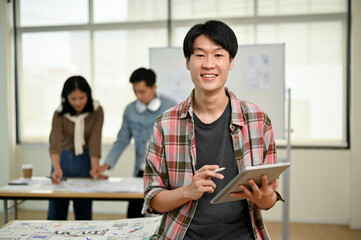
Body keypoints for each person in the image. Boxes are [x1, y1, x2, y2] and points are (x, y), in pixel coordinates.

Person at [142, 20, 284, 239]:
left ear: (231, 62)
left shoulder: (258, 120)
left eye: (218, 55)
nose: (209, 64)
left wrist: (266, 199)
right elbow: (153, 200)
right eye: (200, 55)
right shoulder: (165, 124)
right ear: (188, 62)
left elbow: (269, 196)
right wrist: (187, 191)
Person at [94, 67, 176, 218]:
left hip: (167, 172)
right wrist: (105, 165)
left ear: (154, 88)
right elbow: (122, 140)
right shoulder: (130, 110)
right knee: (134, 215)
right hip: (141, 171)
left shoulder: (171, 107)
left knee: (166, 216)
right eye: (135, 91)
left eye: (142, 91)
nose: (139, 96)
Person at [48, 75, 104, 220]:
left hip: (84, 160)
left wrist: (94, 168)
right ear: (66, 97)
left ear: (88, 95)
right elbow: (55, 144)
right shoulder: (59, 113)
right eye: (73, 98)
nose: (78, 102)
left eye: (82, 98)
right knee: (57, 213)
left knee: (84, 213)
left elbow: (95, 140)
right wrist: (56, 168)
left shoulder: (97, 111)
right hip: (63, 160)